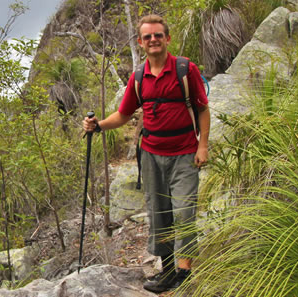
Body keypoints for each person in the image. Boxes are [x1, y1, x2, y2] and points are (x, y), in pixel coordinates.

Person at [82, 14, 210, 293]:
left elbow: (202, 108)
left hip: (185, 154)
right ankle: (166, 270)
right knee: (159, 213)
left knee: (184, 212)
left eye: (158, 35)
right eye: (148, 37)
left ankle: (183, 272)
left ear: (167, 38)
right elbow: (124, 114)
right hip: (151, 156)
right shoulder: (139, 77)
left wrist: (203, 145)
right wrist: (98, 126)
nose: (153, 40)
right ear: (140, 42)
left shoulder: (185, 70)